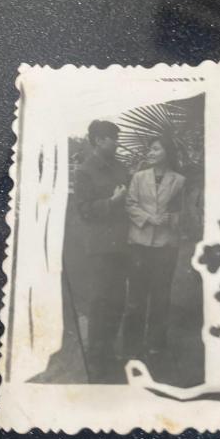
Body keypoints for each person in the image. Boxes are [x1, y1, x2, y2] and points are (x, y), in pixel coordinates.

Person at [73, 120, 129, 382]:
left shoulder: (121, 168)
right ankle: (95, 359)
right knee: (100, 302)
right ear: (98, 140)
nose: (117, 142)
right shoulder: (84, 171)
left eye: (117, 138)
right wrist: (112, 201)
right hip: (100, 247)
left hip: (122, 244)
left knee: (118, 301)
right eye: (112, 138)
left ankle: (109, 353)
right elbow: (84, 210)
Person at [124, 136, 186, 358]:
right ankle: (131, 345)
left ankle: (156, 344)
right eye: (150, 149)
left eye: (156, 149)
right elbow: (130, 204)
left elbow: (181, 212)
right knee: (136, 296)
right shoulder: (139, 177)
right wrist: (150, 218)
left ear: (167, 152)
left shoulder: (179, 180)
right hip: (139, 243)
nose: (150, 152)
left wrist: (173, 219)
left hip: (166, 245)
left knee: (161, 296)